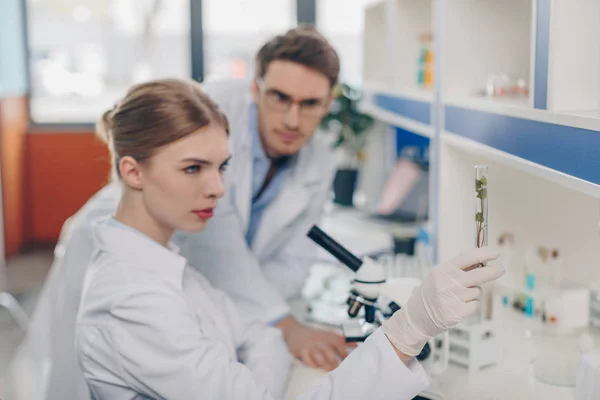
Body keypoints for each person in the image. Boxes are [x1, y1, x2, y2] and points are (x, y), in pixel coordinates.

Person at [75, 77, 506, 400]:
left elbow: (261, 337)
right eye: (193, 168)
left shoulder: (166, 265)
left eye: (222, 167)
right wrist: (410, 328)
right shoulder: (132, 299)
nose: (217, 189)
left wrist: (250, 376)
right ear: (133, 171)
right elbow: (258, 351)